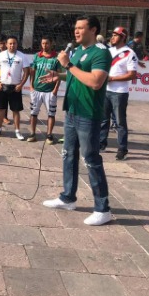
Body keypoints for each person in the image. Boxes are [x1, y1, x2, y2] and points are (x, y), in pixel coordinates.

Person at [41, 15, 113, 226]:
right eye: (75, 28)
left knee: (91, 159)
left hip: (88, 114)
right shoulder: (79, 51)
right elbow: (78, 74)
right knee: (68, 155)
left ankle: (103, 209)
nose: (76, 31)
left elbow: (96, 81)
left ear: (93, 30)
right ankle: (68, 198)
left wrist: (68, 66)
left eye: (81, 28)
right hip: (72, 110)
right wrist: (60, 76)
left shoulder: (101, 52)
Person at [99, 27, 138, 160]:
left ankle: (122, 149)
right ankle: (101, 144)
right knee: (103, 119)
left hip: (119, 93)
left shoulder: (130, 53)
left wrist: (112, 79)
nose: (112, 37)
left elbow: (132, 75)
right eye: (112, 35)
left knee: (120, 122)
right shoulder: (108, 51)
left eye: (115, 35)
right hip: (105, 90)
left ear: (123, 37)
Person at [0, 35, 31, 139]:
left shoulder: (22, 56)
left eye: (14, 43)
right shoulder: (1, 55)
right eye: (10, 43)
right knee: (1, 109)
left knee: (16, 110)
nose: (12, 45)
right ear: (6, 44)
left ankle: (17, 131)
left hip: (15, 88)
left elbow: (27, 72)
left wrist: (21, 85)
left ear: (17, 44)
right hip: (3, 86)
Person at [27, 35, 61, 144]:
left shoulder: (56, 58)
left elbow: (59, 75)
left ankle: (49, 135)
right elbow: (32, 72)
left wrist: (55, 89)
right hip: (36, 89)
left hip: (50, 91)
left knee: (51, 114)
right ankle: (32, 133)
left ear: (51, 44)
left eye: (46, 43)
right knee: (33, 113)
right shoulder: (37, 56)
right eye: (43, 43)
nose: (44, 46)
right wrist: (31, 86)